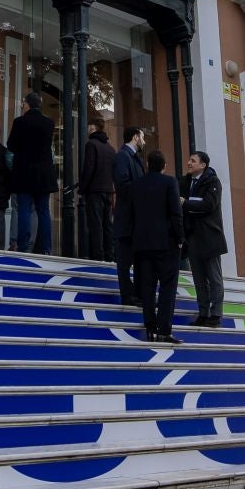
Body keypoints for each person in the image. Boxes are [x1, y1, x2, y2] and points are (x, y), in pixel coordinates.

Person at [115, 149, 182, 342]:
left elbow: (131, 213)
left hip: (142, 244)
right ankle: (164, 330)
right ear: (164, 166)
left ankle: (150, 327)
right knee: (168, 287)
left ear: (147, 165)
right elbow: (175, 213)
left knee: (147, 287)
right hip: (166, 244)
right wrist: (180, 238)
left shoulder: (136, 185)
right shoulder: (170, 182)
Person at [179, 150, 228, 326]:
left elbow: (208, 205)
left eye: (193, 161)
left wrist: (187, 204)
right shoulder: (186, 182)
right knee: (199, 279)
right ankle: (203, 313)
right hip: (193, 237)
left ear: (203, 165)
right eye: (189, 159)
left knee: (214, 278)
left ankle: (216, 314)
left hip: (210, 236)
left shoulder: (213, 182)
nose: (189, 163)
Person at [6, 92, 57, 255]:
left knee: (24, 209)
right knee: (43, 211)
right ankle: (46, 247)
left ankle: (23, 245)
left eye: (23, 104)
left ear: (27, 104)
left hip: (24, 172)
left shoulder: (19, 122)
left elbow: (11, 145)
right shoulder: (49, 123)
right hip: (44, 173)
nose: (22, 106)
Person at [110, 126, 145, 305]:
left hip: (136, 219)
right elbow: (123, 185)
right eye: (142, 137)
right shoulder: (123, 156)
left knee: (136, 258)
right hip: (127, 218)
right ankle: (128, 294)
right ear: (135, 137)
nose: (144, 141)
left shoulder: (133, 157)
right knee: (124, 260)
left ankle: (136, 293)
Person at [75, 118, 115, 262]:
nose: (87, 130)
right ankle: (109, 255)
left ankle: (98, 255)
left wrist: (82, 188)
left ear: (93, 128)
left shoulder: (91, 144)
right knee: (107, 224)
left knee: (96, 224)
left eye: (88, 126)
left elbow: (89, 168)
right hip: (108, 191)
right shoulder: (111, 149)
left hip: (95, 191)